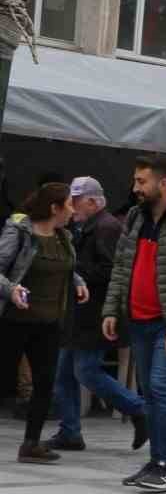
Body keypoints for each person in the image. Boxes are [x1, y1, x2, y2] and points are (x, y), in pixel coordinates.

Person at [100, 157, 166, 490]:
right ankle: (156, 461)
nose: (135, 188)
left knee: (162, 386)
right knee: (151, 393)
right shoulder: (136, 217)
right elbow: (121, 267)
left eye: (142, 181)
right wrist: (111, 309)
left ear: (164, 183)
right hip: (138, 320)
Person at [48, 176, 146, 453]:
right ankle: (70, 431)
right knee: (65, 373)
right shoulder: (85, 226)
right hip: (81, 314)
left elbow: (112, 271)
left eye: (76, 201)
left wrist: (73, 271)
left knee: (85, 371)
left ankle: (139, 408)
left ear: (93, 201)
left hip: (96, 315)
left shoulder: (106, 227)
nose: (72, 206)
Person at [1, 183, 89, 464]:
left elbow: (66, 268)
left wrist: (79, 283)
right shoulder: (20, 230)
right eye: (69, 205)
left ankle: (31, 444)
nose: (73, 211)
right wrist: (11, 289)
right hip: (14, 321)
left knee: (44, 383)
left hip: (49, 323)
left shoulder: (64, 237)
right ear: (55, 208)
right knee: (3, 380)